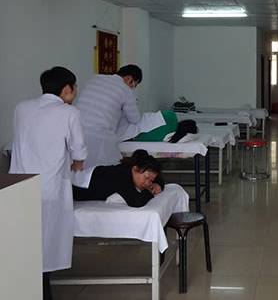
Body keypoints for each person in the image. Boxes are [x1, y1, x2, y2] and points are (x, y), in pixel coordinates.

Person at [10, 66, 87, 300]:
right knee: (46, 243)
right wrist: (77, 164)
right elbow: (78, 150)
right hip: (50, 186)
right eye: (75, 87)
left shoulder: (21, 108)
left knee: (24, 240)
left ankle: (25, 289)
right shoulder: (69, 112)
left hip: (19, 185)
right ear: (67, 89)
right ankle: (43, 292)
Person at [75, 64, 143, 168]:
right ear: (130, 79)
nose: (133, 88)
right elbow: (135, 118)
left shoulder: (95, 78)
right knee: (103, 168)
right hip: (98, 135)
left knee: (77, 171)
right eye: (134, 85)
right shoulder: (125, 90)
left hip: (75, 130)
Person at [73, 149, 164, 207]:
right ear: (135, 168)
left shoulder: (130, 170)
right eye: (146, 178)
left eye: (151, 181)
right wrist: (149, 191)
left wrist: (158, 184)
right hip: (74, 188)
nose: (147, 183)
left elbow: (158, 178)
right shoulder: (121, 176)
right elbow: (136, 201)